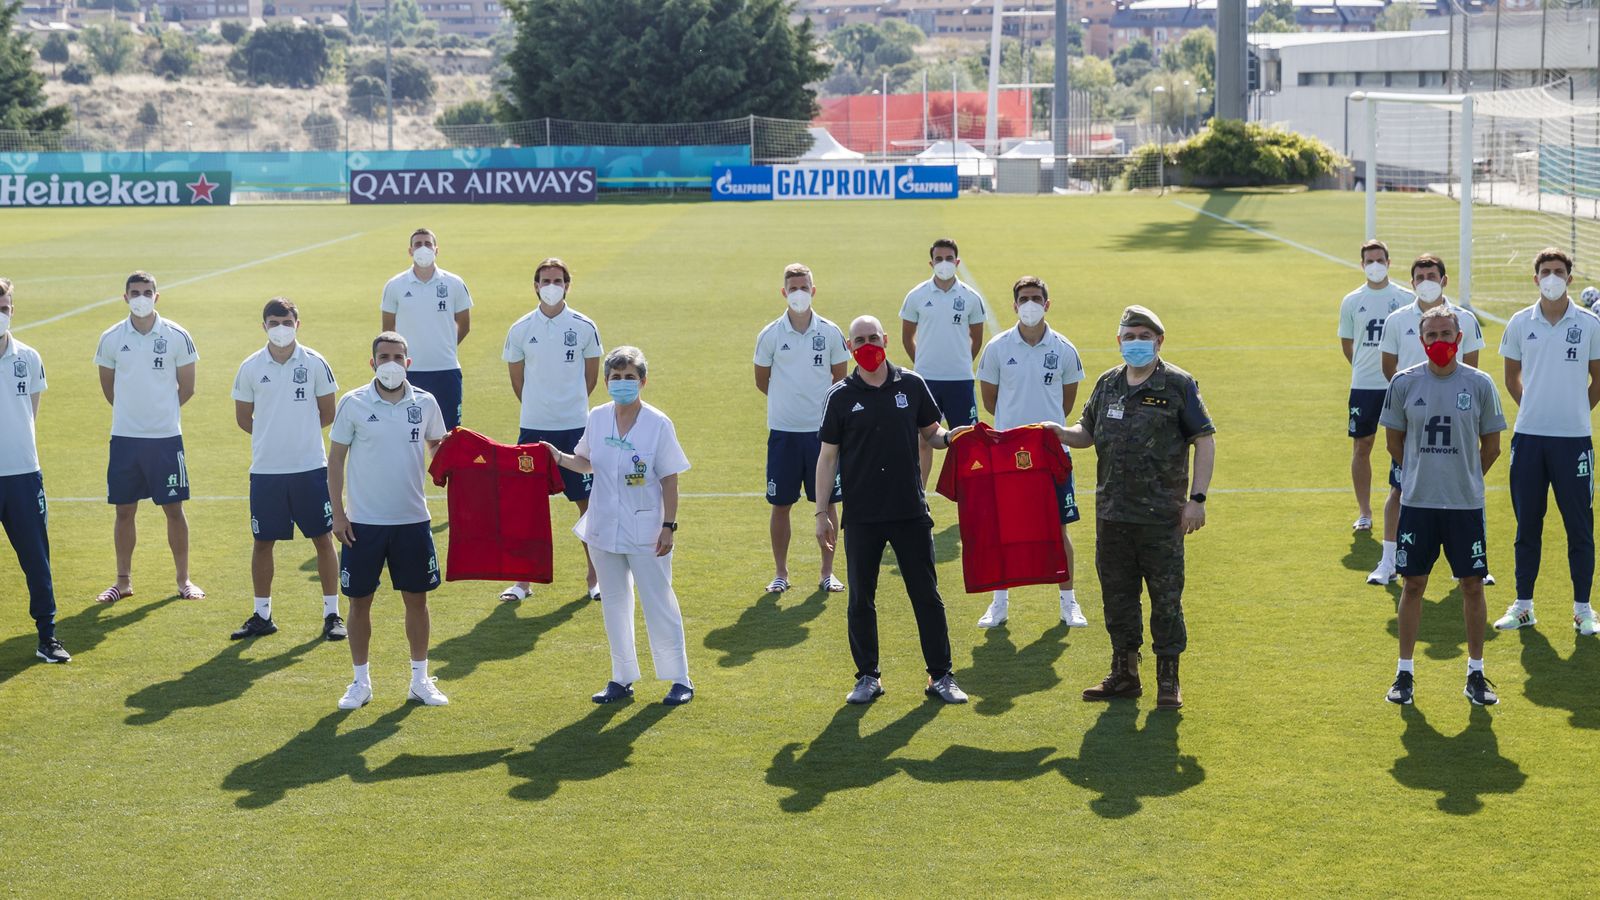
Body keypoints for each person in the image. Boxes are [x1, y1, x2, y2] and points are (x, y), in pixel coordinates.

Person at [1049, 305, 1214, 711]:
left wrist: (1197, 499)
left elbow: (1205, 439)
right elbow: (1086, 433)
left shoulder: (1178, 384)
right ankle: (1124, 673)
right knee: (1118, 597)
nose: (1136, 343)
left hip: (1162, 517)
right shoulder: (1107, 384)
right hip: (1113, 515)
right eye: (1129, 336)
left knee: (1166, 598)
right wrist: (1057, 432)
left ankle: (1168, 678)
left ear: (1159, 340)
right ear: (1118, 340)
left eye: (1144, 336)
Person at [817, 315, 969, 706]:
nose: (867, 345)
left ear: (886, 339)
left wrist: (951, 437)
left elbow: (930, 433)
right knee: (861, 599)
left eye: (873, 337)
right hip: (863, 513)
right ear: (850, 348)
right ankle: (868, 676)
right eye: (859, 340)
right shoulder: (840, 396)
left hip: (909, 510)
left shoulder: (912, 385)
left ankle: (941, 675)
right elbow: (827, 457)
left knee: (926, 595)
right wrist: (822, 514)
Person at [547, 346, 695, 706]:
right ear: (607, 382)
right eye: (616, 377)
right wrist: (557, 456)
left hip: (647, 530)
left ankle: (679, 678)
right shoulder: (597, 417)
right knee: (614, 603)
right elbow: (585, 462)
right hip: (602, 527)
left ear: (642, 381)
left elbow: (670, 479)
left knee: (658, 601)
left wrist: (668, 526)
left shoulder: (658, 423)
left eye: (630, 377)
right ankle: (621, 677)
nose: (623, 383)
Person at [1380, 306, 1505, 705]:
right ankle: (1404, 674)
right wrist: (1421, 474)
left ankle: (1476, 672)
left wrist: (1465, 477)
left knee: (1472, 586)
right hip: (1418, 503)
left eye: (1445, 334)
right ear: (1421, 341)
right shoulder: (1403, 383)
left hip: (1465, 506)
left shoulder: (1481, 384)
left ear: (1459, 338)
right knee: (1413, 585)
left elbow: (1493, 446)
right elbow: (1393, 443)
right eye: (1431, 335)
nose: (1438, 342)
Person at [328, 332, 448, 709]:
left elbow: (439, 449)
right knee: (359, 602)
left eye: (398, 356)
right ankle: (360, 682)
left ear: (408, 362)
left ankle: (419, 680)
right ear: (373, 362)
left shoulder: (426, 403)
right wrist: (338, 514)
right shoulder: (353, 403)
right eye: (384, 356)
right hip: (363, 524)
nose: (391, 362)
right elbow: (335, 460)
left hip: (412, 520)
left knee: (417, 600)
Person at [1494, 247, 1600, 637]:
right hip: (1529, 440)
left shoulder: (1589, 324)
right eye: (1545, 271)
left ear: (1570, 279)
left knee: (1579, 527)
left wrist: (1574, 411)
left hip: (1574, 443)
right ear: (1535, 278)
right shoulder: (1521, 323)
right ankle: (1524, 607)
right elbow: (1511, 377)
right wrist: (1535, 409)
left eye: (1558, 271)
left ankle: (1583, 610)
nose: (1552, 277)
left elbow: (1598, 378)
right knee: (1527, 526)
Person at [228, 298, 345, 642]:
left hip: (309, 468)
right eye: (274, 321)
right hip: (266, 471)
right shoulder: (250, 367)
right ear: (263, 325)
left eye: (286, 321)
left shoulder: (315, 363)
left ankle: (332, 614)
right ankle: (262, 615)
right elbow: (242, 418)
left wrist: (297, 436)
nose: (281, 327)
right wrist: (272, 435)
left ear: (298, 324)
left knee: (322, 539)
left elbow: (328, 413)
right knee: (263, 542)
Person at [974, 275, 1088, 629]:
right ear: (1014, 305)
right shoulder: (997, 348)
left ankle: (1068, 602)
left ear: (1047, 303)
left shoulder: (1064, 349)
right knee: (1004, 529)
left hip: (1052, 451)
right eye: (1024, 298)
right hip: (1008, 452)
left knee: (1058, 528)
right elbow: (990, 401)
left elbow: (1066, 403)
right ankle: (999, 602)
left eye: (1036, 297)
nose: (1030, 303)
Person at [1368, 253, 1487, 587]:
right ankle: (1389, 560)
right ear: (1412, 282)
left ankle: (1472, 560)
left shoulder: (1464, 319)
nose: (1425, 282)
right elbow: (1389, 367)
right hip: (1415, 418)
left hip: (1458, 415)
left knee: (1468, 487)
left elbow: (1474, 368)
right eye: (1419, 277)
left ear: (1444, 280)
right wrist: (1409, 403)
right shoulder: (1397, 320)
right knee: (1399, 486)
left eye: (1431, 276)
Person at [93, 271, 204, 603]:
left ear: (157, 296)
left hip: (165, 438)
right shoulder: (111, 338)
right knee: (124, 511)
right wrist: (134, 414)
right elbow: (109, 388)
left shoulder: (177, 336)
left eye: (147, 291)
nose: (141, 297)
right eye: (135, 292)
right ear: (125, 297)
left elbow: (188, 387)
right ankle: (122, 581)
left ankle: (184, 580)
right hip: (125, 438)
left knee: (173, 509)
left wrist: (160, 412)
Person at [499, 257, 602, 602]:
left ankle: (595, 577)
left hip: (575, 428)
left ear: (568, 285)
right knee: (526, 507)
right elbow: (518, 380)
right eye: (545, 280)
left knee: (587, 504)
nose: (551, 285)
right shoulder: (520, 328)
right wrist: (539, 407)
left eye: (558, 280)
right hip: (533, 429)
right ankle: (522, 581)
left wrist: (568, 406)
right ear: (536, 286)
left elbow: (590, 377)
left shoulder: (585, 326)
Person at [753, 263, 849, 594]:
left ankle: (827, 572)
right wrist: (788, 403)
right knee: (781, 504)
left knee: (828, 503)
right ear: (784, 292)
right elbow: (761, 380)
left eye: (803, 287)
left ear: (813, 290)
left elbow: (841, 378)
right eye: (792, 288)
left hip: (823, 435)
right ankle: (781, 573)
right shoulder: (770, 335)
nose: (798, 293)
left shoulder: (831, 332)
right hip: (783, 433)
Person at [0, 279, 69, 663]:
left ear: (13, 309)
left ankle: (48, 637)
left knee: (36, 560)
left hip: (24, 476)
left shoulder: (28, 356)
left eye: (5, 307)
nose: (1, 314)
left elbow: (31, 412)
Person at [1337, 239, 1413, 536]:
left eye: (1380, 260)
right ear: (1362, 265)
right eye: (1369, 261)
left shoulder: (1406, 298)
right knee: (1362, 446)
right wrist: (1362, 368)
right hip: (1365, 386)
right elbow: (1347, 344)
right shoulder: (1352, 301)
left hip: (1399, 383)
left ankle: (1407, 504)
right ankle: (1365, 512)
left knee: (1403, 447)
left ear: (1389, 262)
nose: (1375, 265)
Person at [900, 238, 987, 487]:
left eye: (949, 259)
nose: (944, 263)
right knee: (923, 440)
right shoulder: (916, 295)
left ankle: (969, 495)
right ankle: (920, 495)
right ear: (931, 263)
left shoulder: (971, 298)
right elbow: (907, 336)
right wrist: (923, 363)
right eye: (939, 259)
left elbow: (976, 338)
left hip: (960, 380)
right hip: (926, 381)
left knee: (966, 440)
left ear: (957, 262)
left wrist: (960, 362)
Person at [380, 227, 472, 429]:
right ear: (410, 251)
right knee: (407, 431)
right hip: (409, 371)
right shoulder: (395, 285)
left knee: (448, 434)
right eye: (418, 244)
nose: (423, 248)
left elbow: (464, 325)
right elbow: (388, 331)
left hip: (446, 369)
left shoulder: (454, 283)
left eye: (428, 244)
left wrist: (446, 344)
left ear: (436, 249)